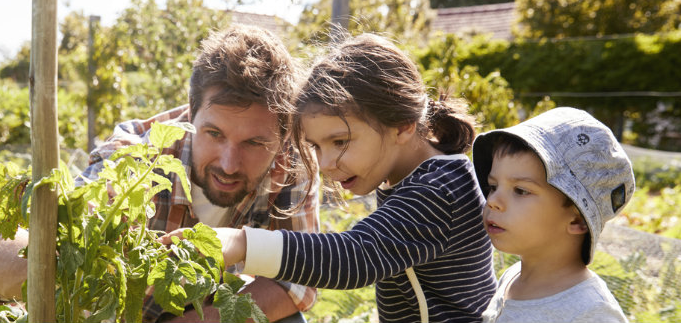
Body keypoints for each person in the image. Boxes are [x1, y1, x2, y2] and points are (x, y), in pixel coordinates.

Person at [0, 25, 321, 323]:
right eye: (214, 134)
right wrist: (76, 252)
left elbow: (298, 282)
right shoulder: (139, 157)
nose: (229, 164)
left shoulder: (292, 165)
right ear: (190, 114)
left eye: (254, 143)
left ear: (283, 135)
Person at [165, 33, 498, 322]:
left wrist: (241, 243)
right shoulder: (418, 177)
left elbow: (356, 256)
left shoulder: (439, 190)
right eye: (315, 147)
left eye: (340, 142)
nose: (324, 164)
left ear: (403, 125)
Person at [473, 107, 633, 322]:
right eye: (493, 186)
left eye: (520, 191)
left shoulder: (590, 313)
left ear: (577, 219)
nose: (492, 201)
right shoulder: (512, 276)